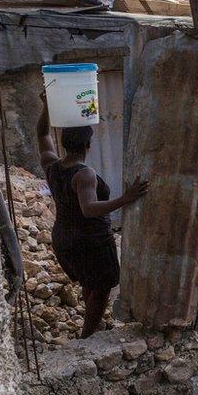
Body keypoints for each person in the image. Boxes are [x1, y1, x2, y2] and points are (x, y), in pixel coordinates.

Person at [36, 93, 148, 337]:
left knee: (90, 283)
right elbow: (88, 209)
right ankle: (88, 336)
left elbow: (43, 136)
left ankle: (91, 323)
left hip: (64, 237)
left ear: (64, 144)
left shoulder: (52, 165)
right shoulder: (84, 174)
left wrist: (46, 107)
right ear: (88, 145)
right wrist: (125, 199)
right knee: (102, 287)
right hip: (91, 240)